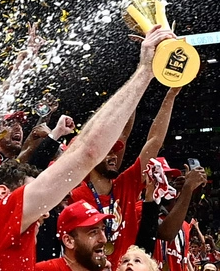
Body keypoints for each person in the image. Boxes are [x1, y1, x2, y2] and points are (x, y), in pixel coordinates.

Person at [0, 26, 176, 271]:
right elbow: (86, 152)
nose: (46, 212)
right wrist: (145, 71)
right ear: (4, 195)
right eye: (31, 191)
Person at [70, 86, 181, 271]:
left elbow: (155, 140)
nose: (114, 156)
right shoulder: (76, 196)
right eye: (108, 152)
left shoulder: (126, 184)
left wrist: (170, 96)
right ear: (93, 156)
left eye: (116, 151)